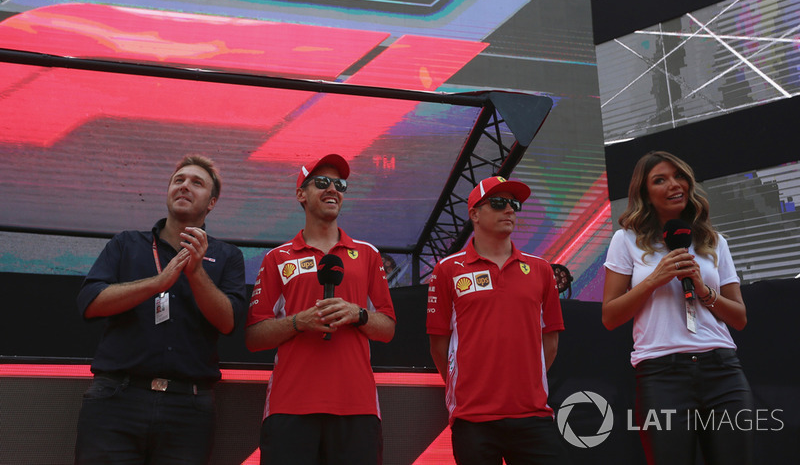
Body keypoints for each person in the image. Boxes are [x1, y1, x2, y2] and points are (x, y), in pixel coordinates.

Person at [74, 154, 248, 464]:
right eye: (178, 180)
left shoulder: (227, 255)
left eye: (197, 183)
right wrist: (157, 283)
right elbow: (90, 303)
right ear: (167, 192)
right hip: (117, 399)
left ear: (211, 202)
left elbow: (228, 322)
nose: (184, 186)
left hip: (189, 406)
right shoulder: (126, 244)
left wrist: (195, 272)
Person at [602, 151, 752, 465]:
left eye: (679, 176)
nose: (674, 184)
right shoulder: (626, 240)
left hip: (722, 371)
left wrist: (703, 290)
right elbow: (610, 316)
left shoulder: (713, 241)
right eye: (660, 180)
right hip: (661, 375)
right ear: (645, 194)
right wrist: (655, 279)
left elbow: (739, 318)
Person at [245, 153, 396, 465]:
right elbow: (254, 336)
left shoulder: (367, 254)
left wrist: (359, 314)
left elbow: (388, 328)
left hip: (357, 407)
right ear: (301, 194)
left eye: (339, 184)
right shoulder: (278, 257)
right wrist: (299, 321)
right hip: (290, 406)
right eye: (322, 183)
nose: (333, 190)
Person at [427, 176, 570, 465]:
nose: (510, 210)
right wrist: (471, 386)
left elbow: (551, 341)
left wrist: (524, 381)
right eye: (498, 203)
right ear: (474, 214)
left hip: (532, 414)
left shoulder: (541, 269)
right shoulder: (447, 269)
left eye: (513, 204)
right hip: (473, 417)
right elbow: (439, 345)